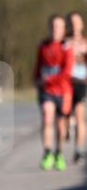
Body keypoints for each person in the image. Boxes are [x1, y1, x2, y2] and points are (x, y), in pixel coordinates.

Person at [34, 14, 73, 171]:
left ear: (64, 30)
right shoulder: (43, 45)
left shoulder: (66, 47)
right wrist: (37, 79)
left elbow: (67, 71)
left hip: (63, 91)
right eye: (53, 26)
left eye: (59, 27)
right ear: (49, 28)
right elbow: (38, 66)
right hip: (46, 91)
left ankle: (59, 152)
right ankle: (47, 153)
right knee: (47, 116)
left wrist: (49, 79)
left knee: (60, 125)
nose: (55, 29)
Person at [65, 10, 86, 163]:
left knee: (80, 117)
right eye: (71, 22)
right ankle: (68, 126)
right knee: (65, 114)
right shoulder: (64, 42)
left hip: (81, 82)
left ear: (82, 24)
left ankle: (78, 150)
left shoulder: (85, 43)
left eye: (77, 22)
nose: (74, 25)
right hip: (65, 82)